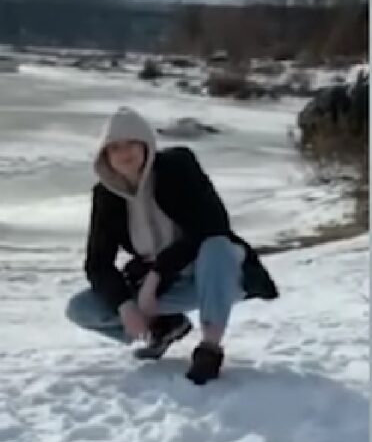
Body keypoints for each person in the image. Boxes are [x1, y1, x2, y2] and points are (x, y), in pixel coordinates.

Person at [65, 106, 278, 384]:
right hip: (167, 289)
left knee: (216, 246)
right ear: (105, 156)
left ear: (146, 145)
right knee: (81, 308)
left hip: (216, 275)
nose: (124, 153)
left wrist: (157, 275)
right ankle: (165, 327)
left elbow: (213, 225)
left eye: (131, 143)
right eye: (114, 148)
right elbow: (97, 263)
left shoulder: (179, 166)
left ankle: (210, 348)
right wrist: (125, 305)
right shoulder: (106, 195)